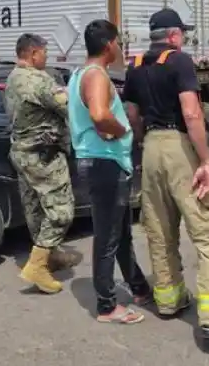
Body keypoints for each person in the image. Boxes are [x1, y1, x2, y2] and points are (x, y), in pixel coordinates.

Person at [123, 8, 209, 346]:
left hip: (151, 147)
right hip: (179, 146)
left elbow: (131, 114)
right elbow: (191, 111)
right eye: (182, 32)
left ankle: (169, 301)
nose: (183, 37)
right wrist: (204, 159)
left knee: (159, 229)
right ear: (173, 35)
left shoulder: (135, 65)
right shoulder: (180, 61)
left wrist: (143, 143)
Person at [67, 19, 152, 324]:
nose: (120, 47)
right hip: (105, 164)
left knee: (120, 233)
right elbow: (100, 115)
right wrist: (120, 129)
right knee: (107, 237)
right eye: (117, 42)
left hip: (102, 163)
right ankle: (106, 305)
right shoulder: (96, 75)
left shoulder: (79, 74)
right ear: (108, 45)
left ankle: (139, 287)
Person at [4, 33, 80, 294]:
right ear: (33, 53)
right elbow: (68, 105)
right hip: (43, 156)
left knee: (35, 209)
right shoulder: (38, 80)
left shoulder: (13, 77)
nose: (46, 58)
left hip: (22, 154)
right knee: (62, 211)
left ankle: (50, 258)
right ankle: (37, 265)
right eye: (44, 53)